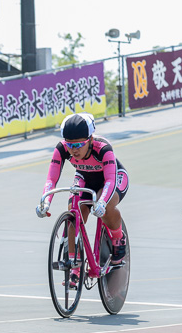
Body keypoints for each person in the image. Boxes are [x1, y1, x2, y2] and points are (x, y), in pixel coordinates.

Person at [36, 113, 129, 289]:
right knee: (73, 212)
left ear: (90, 139)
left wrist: (101, 202)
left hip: (111, 179)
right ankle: (75, 267)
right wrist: (45, 202)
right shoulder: (62, 148)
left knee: (107, 206)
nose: (74, 150)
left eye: (79, 144)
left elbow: (110, 180)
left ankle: (118, 238)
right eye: (70, 145)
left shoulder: (103, 148)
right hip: (84, 178)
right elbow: (51, 179)